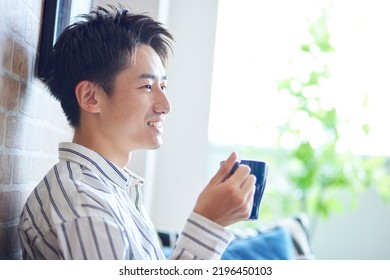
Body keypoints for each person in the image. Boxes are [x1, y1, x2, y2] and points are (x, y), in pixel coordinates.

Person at [18, 5, 256, 260]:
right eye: (147, 86)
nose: (165, 106)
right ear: (90, 97)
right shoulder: (86, 206)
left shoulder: (116, 190)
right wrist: (209, 224)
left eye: (163, 85)